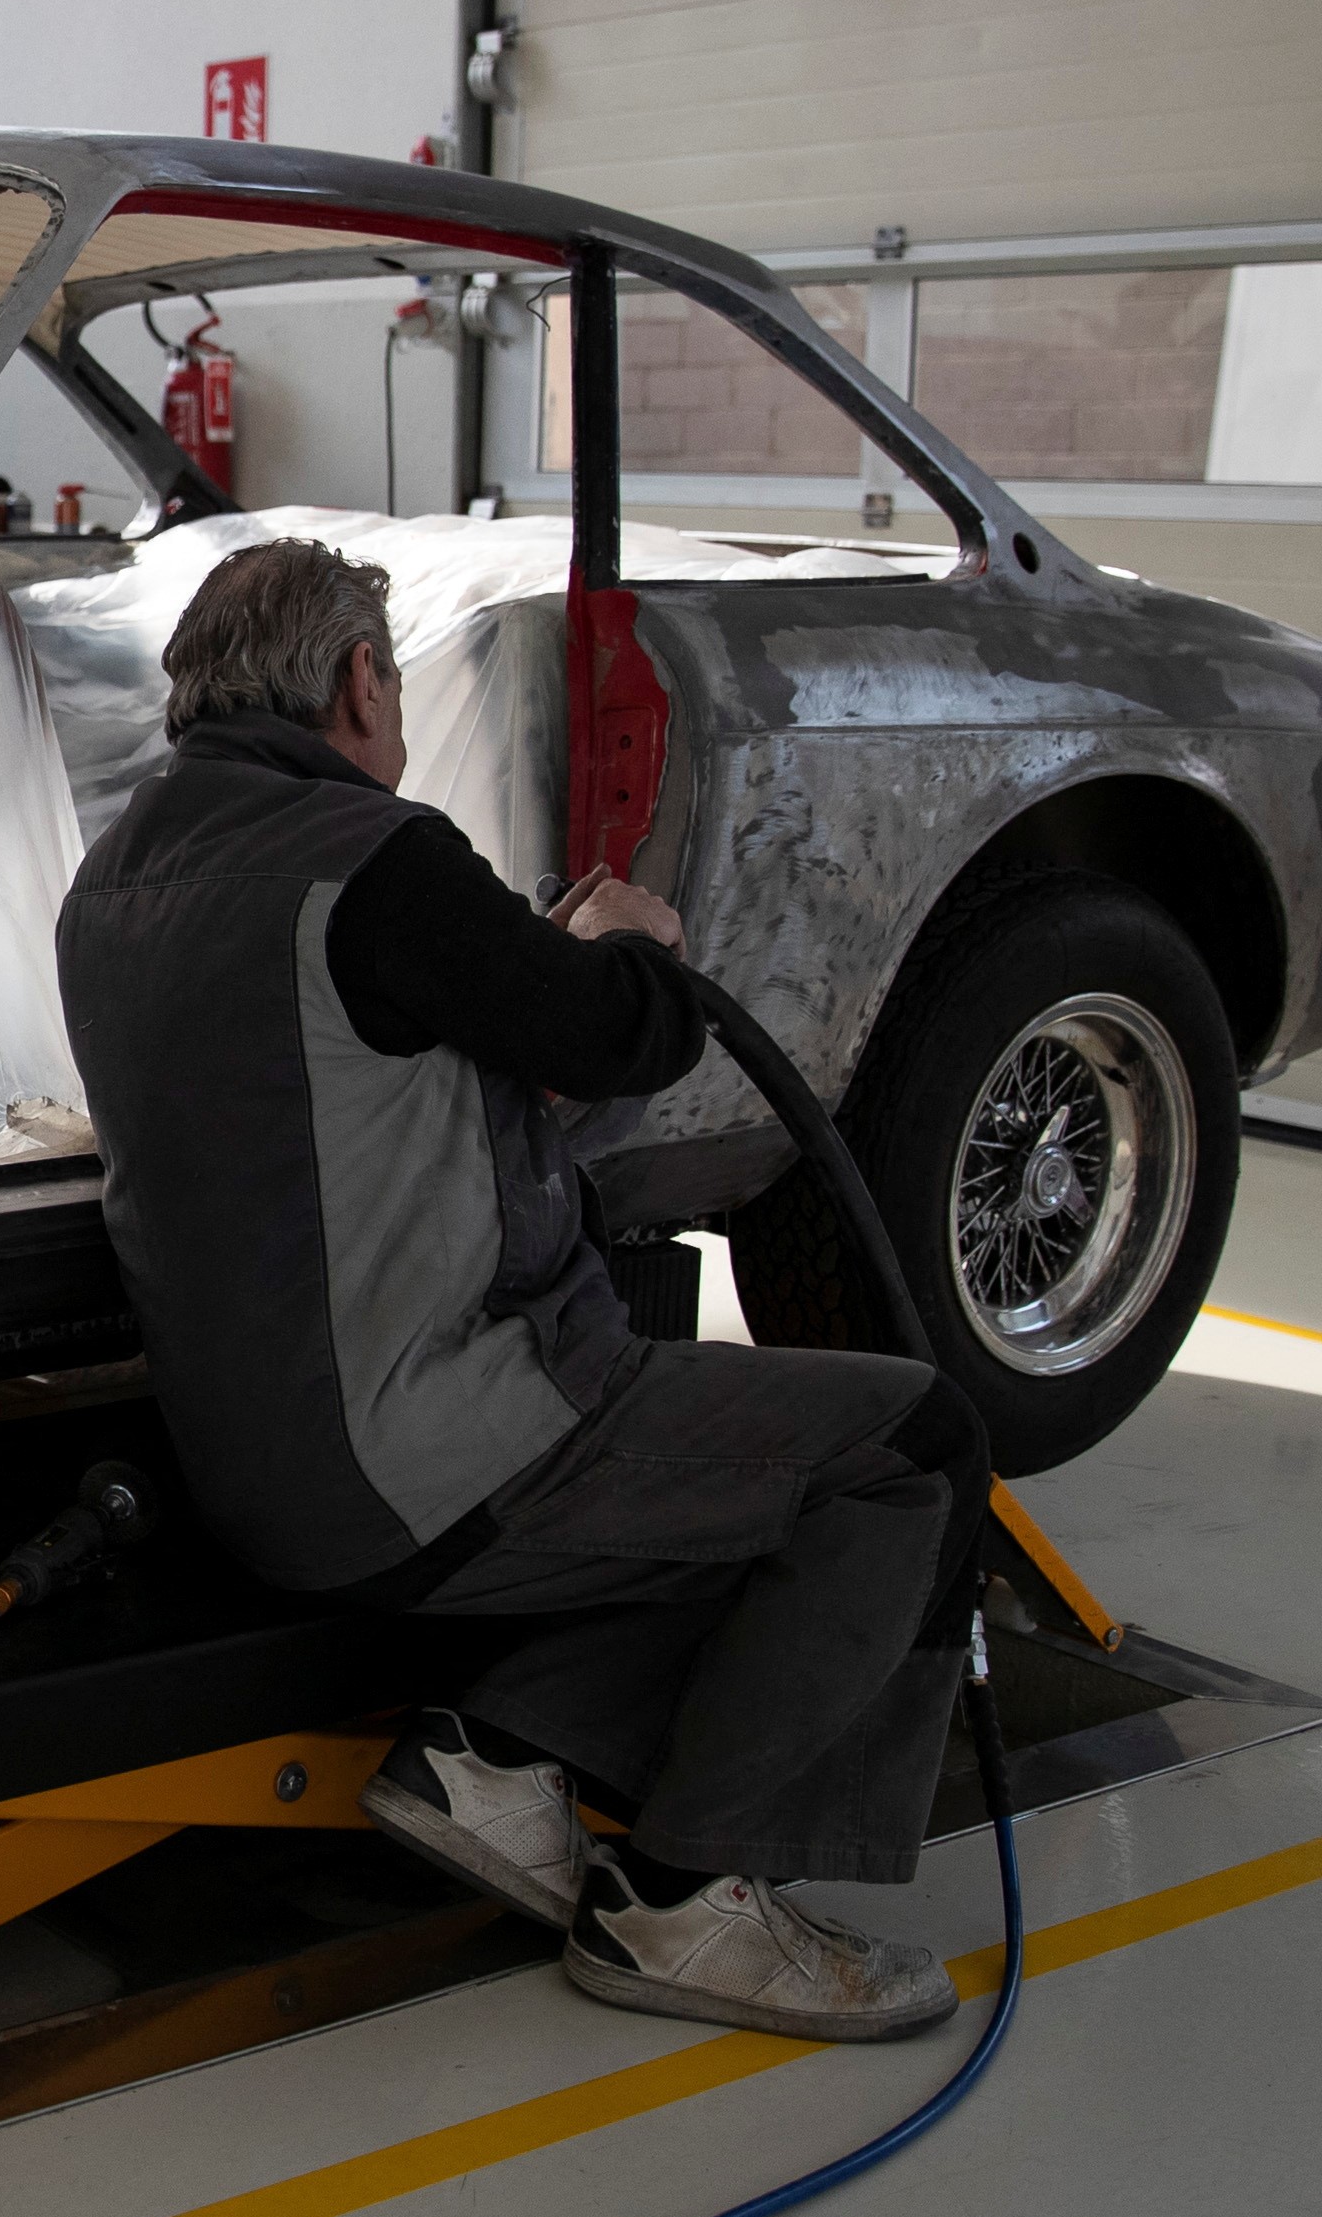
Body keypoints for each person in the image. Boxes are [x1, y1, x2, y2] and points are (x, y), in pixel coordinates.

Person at [54, 537, 991, 2041]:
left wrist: (532, 979)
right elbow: (623, 1040)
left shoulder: (114, 881)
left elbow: (374, 1101)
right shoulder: (371, 856)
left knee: (740, 1484)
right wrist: (634, 949)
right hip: (430, 1449)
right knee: (908, 1457)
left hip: (259, 1463)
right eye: (395, 685)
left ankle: (500, 1758)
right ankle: (685, 1899)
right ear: (362, 679)